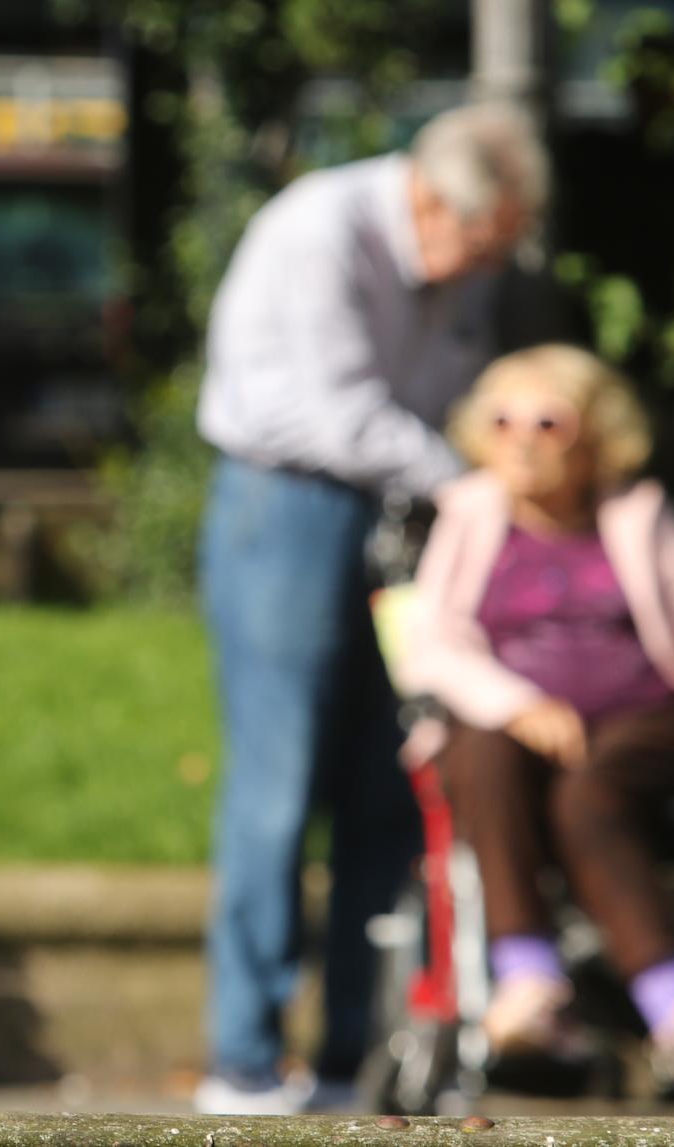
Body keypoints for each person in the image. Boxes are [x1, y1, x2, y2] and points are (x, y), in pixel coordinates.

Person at [194, 103, 548, 1114]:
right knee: (278, 780)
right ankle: (245, 1062)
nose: (490, 263)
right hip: (290, 501)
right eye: (485, 240)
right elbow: (334, 411)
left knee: (387, 784)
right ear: (433, 199)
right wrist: (473, 486)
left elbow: (452, 392)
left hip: (404, 513)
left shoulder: (465, 261)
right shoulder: (321, 228)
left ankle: (358, 1053)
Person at [402, 345, 674, 1080]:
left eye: (547, 422)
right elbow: (429, 641)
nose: (521, 438)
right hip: (515, 720)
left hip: (644, 720)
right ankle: (527, 977)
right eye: (502, 420)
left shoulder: (641, 512)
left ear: (594, 434)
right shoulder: (468, 511)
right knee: (479, 751)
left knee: (588, 795)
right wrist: (520, 703)